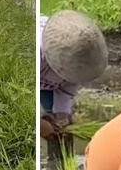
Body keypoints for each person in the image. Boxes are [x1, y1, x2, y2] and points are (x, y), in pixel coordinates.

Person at [39, 10, 107, 159]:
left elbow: (67, 89)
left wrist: (62, 115)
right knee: (43, 123)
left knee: (61, 127)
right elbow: (16, 89)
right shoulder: (37, 54)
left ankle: (59, 164)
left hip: (47, 83)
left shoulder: (81, 62)